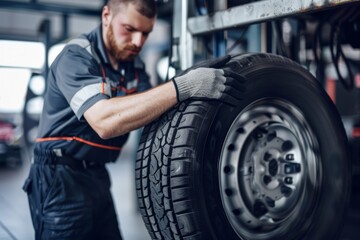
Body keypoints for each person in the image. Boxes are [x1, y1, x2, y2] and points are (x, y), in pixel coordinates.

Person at [22, 0, 244, 239]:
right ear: (106, 16)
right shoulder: (76, 56)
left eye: (146, 33)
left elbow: (156, 111)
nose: (138, 42)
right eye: (129, 29)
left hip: (96, 174)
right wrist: (183, 86)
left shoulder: (133, 68)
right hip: (59, 176)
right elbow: (104, 122)